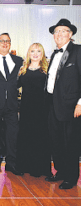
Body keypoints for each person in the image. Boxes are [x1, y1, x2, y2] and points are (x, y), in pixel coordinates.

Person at [45, 19, 81, 189]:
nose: (58, 34)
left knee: (70, 143)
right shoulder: (54, 54)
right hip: (53, 105)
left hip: (71, 107)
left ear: (70, 34)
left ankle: (71, 177)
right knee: (56, 141)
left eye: (63, 31)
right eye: (56, 31)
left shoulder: (78, 51)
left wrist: (80, 103)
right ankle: (60, 171)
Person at [0, 33, 23, 176]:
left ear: (10, 43)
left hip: (12, 105)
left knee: (12, 134)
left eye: (8, 41)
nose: (5, 43)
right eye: (2, 41)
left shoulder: (19, 61)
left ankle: (11, 164)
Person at [16, 43, 51, 177]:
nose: (35, 54)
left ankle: (39, 168)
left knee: (40, 137)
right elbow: (15, 86)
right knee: (26, 136)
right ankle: (24, 166)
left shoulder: (46, 70)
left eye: (38, 51)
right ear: (28, 53)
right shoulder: (23, 69)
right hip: (26, 109)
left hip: (41, 109)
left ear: (42, 54)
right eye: (32, 51)